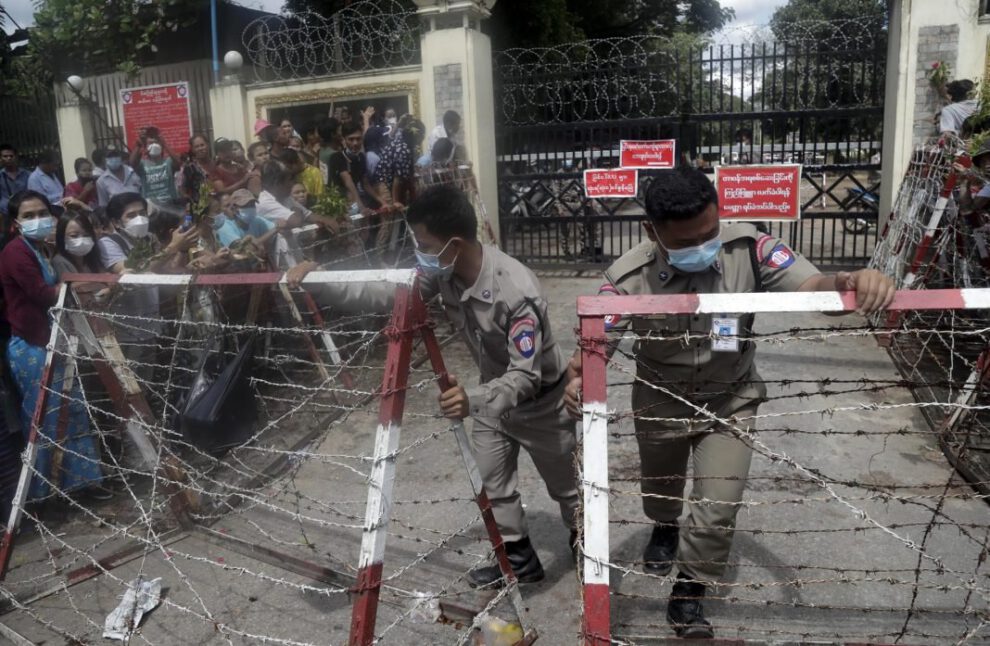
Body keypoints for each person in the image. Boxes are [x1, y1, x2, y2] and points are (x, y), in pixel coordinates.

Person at [562, 167, 895, 638]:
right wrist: (577, 377)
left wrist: (849, 280)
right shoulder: (626, 278)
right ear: (651, 231)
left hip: (729, 399)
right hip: (660, 399)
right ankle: (663, 526)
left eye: (710, 234)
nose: (704, 246)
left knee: (719, 503)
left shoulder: (751, 248)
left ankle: (690, 590)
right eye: (687, 242)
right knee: (662, 483)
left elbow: (810, 290)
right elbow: (596, 343)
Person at [287, 185, 580, 587]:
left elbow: (526, 375)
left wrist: (472, 399)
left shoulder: (516, 290)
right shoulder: (441, 273)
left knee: (567, 489)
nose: (419, 251)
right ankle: (518, 559)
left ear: (454, 244)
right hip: (492, 399)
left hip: (543, 403)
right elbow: (389, 294)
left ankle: (586, 546)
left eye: (424, 243)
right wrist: (322, 281)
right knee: (493, 484)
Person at [0, 190, 107, 501]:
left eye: (41, 214)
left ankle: (78, 485)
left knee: (70, 410)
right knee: (45, 416)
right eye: (28, 216)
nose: (37, 220)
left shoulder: (39, 249)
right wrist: (82, 285)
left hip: (52, 339)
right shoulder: (15, 252)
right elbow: (42, 293)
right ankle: (47, 493)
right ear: (16, 223)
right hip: (32, 346)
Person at [99, 192, 197, 386]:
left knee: (147, 383)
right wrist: (172, 247)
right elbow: (131, 274)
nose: (139, 219)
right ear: (117, 222)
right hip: (125, 329)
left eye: (142, 213)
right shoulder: (108, 243)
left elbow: (166, 270)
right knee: (128, 386)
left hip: (150, 324)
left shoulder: (149, 240)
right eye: (131, 215)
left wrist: (182, 248)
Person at [379, 117, 424, 207]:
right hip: (387, 185)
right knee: (392, 214)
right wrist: (395, 201)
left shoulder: (402, 141)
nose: (422, 139)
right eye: (422, 136)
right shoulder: (404, 150)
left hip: (391, 184)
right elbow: (398, 177)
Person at [130, 129, 180, 205]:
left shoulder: (168, 162)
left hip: (170, 205)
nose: (154, 145)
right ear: (146, 147)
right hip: (151, 206)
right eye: (150, 143)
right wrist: (138, 145)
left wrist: (165, 144)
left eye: (156, 142)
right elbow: (132, 163)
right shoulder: (142, 164)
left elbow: (178, 162)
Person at [53, 210, 103, 277]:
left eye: (86, 235)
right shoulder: (60, 262)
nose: (81, 240)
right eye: (74, 236)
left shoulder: (91, 259)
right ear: (61, 237)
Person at [180, 134, 215, 200]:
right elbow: (182, 190)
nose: (200, 149)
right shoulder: (190, 168)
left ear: (208, 145)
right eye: (197, 147)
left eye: (202, 145)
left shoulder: (217, 163)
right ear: (193, 149)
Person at [0, 145, 30, 217]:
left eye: (11, 156)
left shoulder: (27, 175)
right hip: (5, 213)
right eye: (5, 156)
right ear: (0, 158)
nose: (9, 158)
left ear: (16, 157)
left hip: (26, 211)